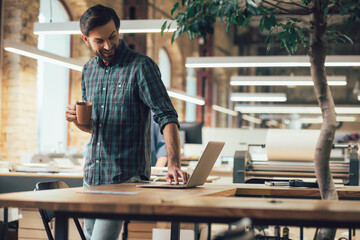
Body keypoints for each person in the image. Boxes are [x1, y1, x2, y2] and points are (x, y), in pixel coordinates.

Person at [65, 4, 189, 240]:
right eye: (99, 41)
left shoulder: (141, 67)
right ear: (85, 40)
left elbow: (166, 115)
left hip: (124, 177)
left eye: (112, 37)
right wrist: (77, 121)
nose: (108, 45)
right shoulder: (88, 71)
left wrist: (174, 163)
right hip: (92, 175)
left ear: (118, 30)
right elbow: (95, 128)